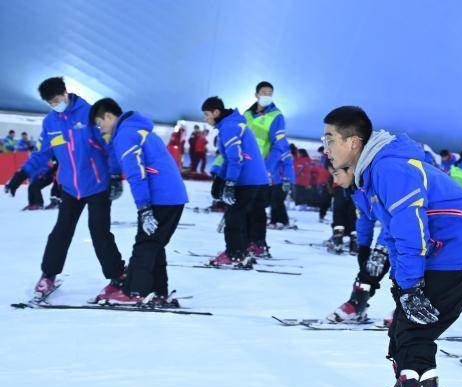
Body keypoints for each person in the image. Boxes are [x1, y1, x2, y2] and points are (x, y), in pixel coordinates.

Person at [322, 106, 462, 387]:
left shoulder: (389, 169)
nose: (326, 148)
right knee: (404, 323)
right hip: (446, 248)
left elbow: (411, 231)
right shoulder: (375, 171)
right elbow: (395, 228)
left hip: (460, 249)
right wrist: (386, 266)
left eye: (330, 140)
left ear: (354, 142)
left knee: (416, 330)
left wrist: (411, 286)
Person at [4, 77, 125, 300]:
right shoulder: (50, 123)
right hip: (70, 187)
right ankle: (48, 275)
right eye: (50, 103)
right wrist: (21, 174)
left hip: (97, 184)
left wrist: (116, 175)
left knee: (99, 232)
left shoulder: (89, 113)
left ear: (66, 93)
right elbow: (42, 154)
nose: (54, 105)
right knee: (60, 232)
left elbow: (110, 145)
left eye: (57, 100)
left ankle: (118, 276)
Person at [90, 98, 189, 304]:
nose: (100, 129)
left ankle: (136, 291)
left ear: (109, 116)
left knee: (145, 244)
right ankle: (158, 290)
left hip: (161, 196)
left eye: (100, 123)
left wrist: (144, 208)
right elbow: (120, 159)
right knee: (155, 243)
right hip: (171, 195)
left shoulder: (126, 134)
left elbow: (136, 172)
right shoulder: (131, 129)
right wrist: (116, 175)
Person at [202, 96, 269, 268]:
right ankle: (241, 250)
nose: (206, 119)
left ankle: (235, 254)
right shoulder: (230, 124)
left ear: (216, 112)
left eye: (207, 114)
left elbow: (236, 159)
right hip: (250, 177)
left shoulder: (229, 127)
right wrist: (220, 178)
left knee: (234, 216)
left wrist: (230, 183)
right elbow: (227, 159)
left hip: (247, 178)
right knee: (238, 214)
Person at [326, 165, 391, 323]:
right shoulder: (357, 191)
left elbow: (394, 217)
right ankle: (358, 304)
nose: (335, 181)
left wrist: (381, 250)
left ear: (351, 171)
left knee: (382, 264)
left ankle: (357, 305)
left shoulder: (376, 182)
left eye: (336, 175)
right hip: (396, 228)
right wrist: (363, 246)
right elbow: (365, 218)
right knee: (371, 266)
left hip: (420, 224)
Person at [243, 81, 295, 227]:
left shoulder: (276, 116)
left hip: (261, 167)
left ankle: (259, 241)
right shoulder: (246, 114)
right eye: (264, 93)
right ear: (256, 94)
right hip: (245, 165)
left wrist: (266, 168)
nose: (267, 96)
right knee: (244, 204)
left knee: (262, 204)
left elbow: (278, 145)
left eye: (270, 94)